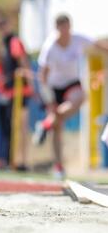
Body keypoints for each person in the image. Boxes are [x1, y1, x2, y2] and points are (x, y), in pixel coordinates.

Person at [34, 14, 108, 179]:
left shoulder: (78, 39)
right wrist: (49, 100)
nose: (66, 32)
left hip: (72, 83)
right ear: (57, 29)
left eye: (68, 27)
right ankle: (59, 166)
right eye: (63, 28)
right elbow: (43, 76)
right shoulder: (50, 47)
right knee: (57, 127)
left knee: (81, 97)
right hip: (54, 87)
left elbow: (97, 45)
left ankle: (46, 123)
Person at [0, 15, 33, 171]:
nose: (1, 28)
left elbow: (23, 61)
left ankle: (20, 161)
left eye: (3, 24)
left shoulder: (14, 41)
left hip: (20, 91)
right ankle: (9, 159)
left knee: (19, 126)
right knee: (8, 126)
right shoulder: (4, 43)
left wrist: (30, 85)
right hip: (9, 91)